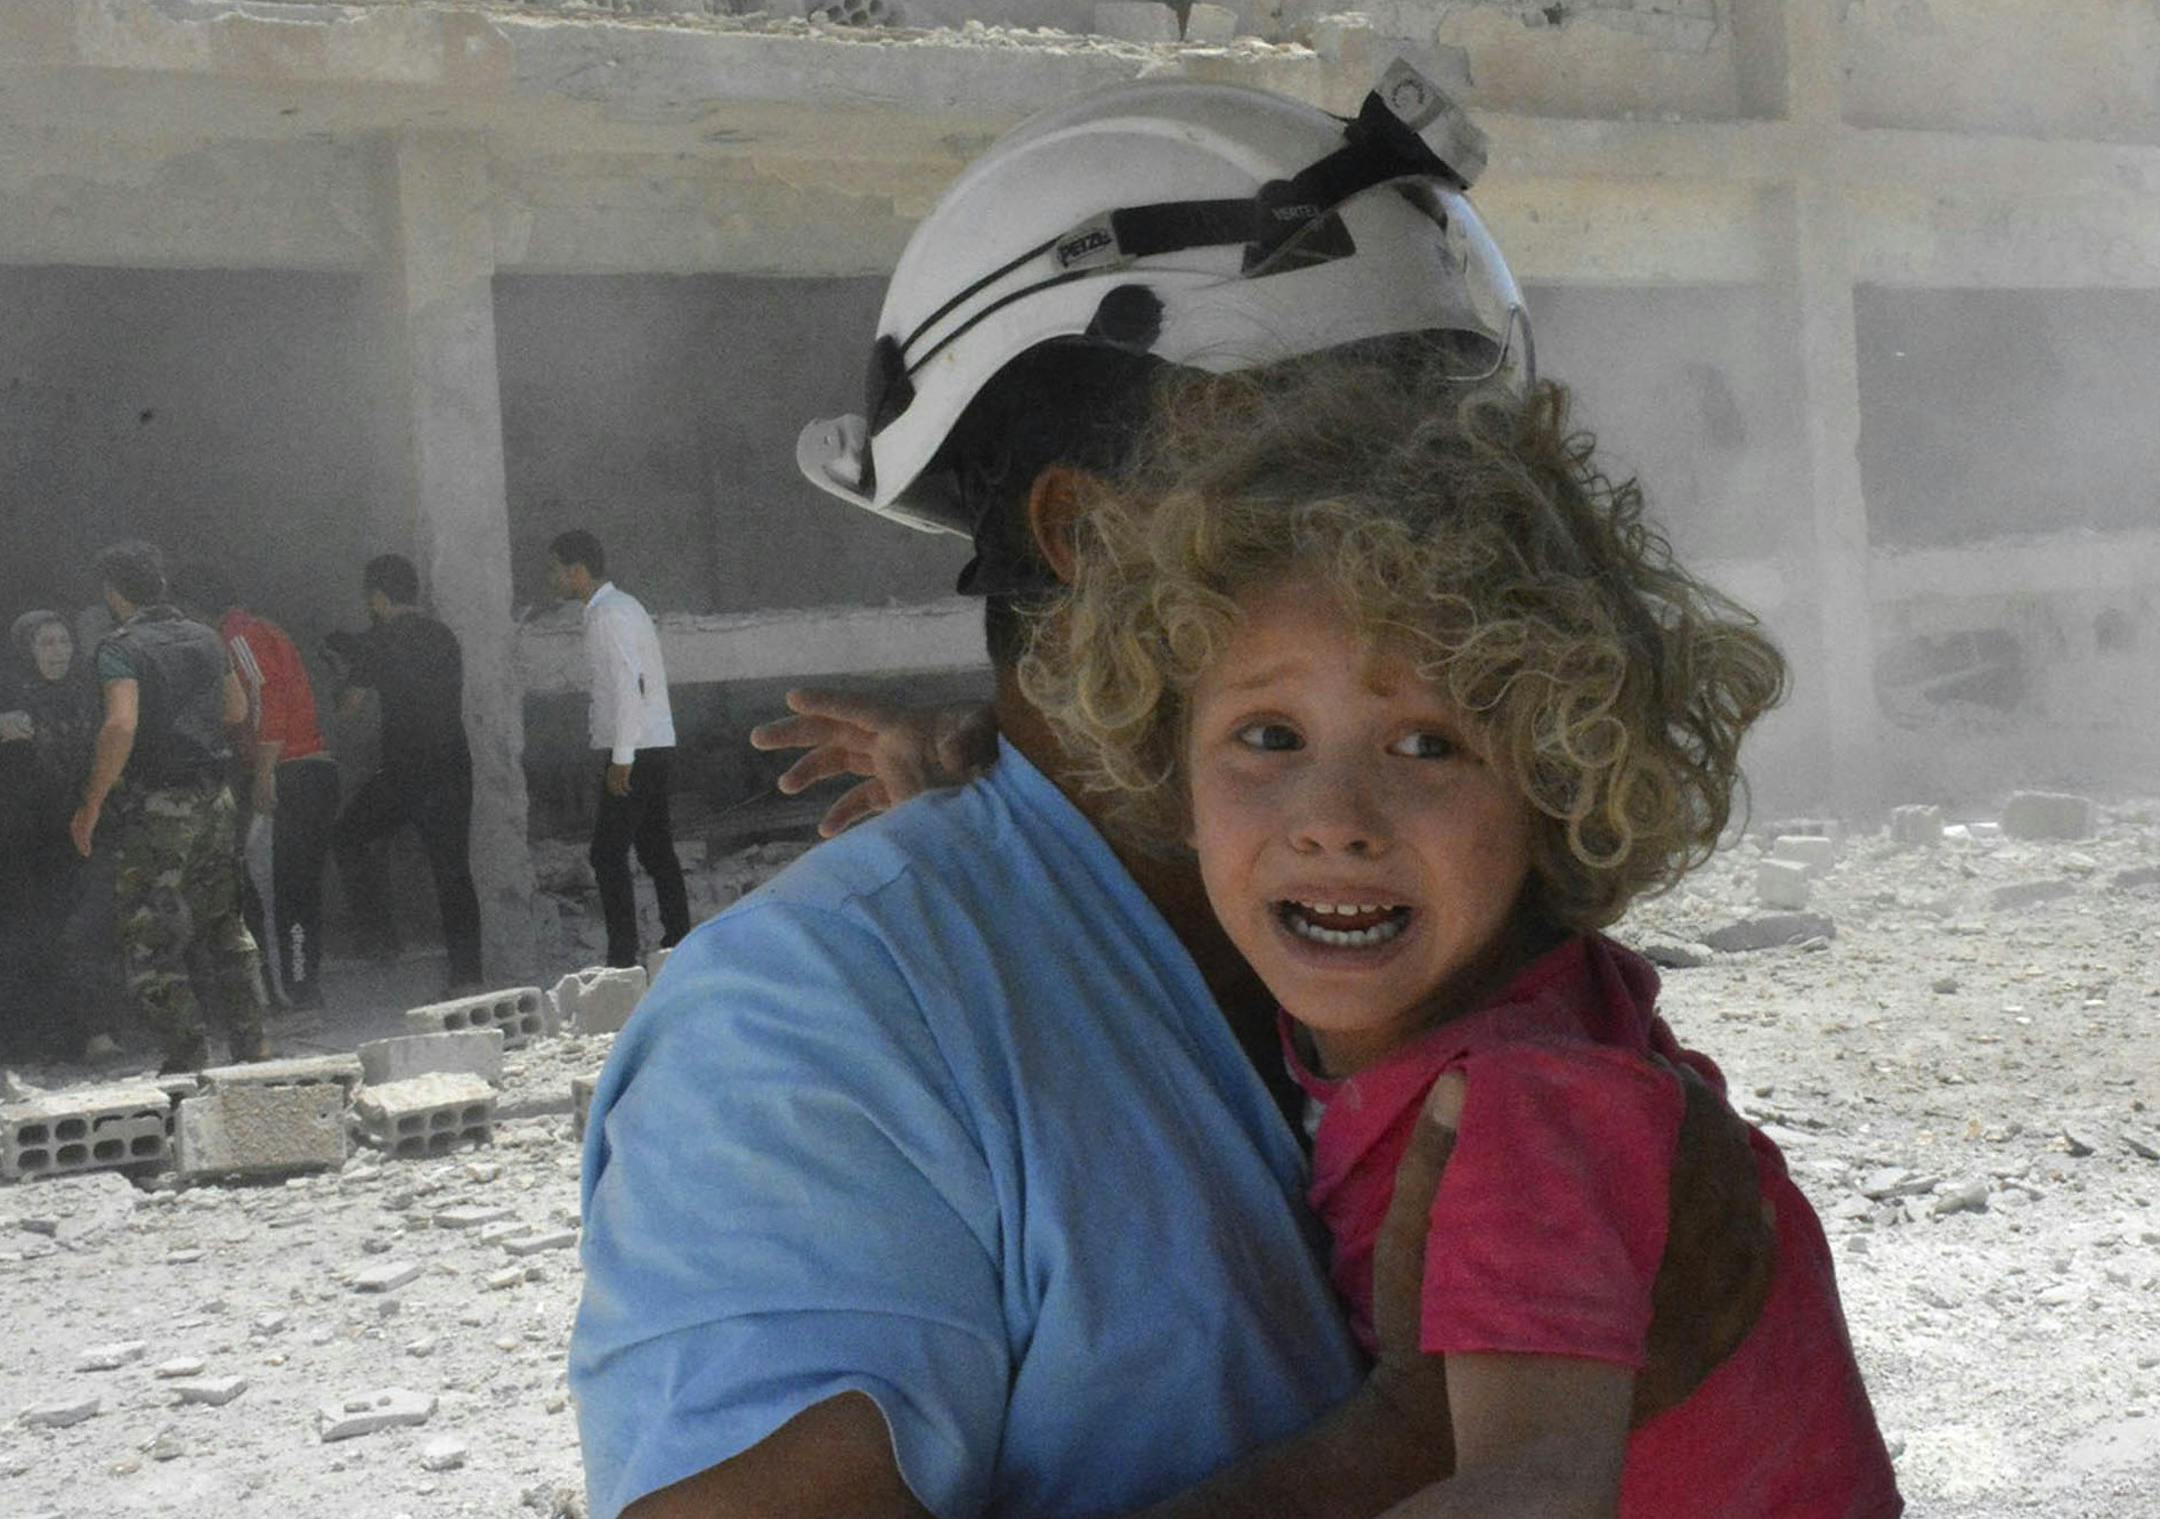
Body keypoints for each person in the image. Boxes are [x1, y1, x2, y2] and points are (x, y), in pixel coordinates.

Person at [576, 70, 1778, 1519]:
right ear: (1092, 537)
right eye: (1337, 486)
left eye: (1455, 483)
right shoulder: (810, 1035)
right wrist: (1426, 1433)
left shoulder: (1426, 931)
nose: (1437, 554)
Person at [1018, 355, 1902, 1516]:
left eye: (1428, 745)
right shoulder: (1513, 1003)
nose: (1334, 821)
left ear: (1555, 785)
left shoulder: (1517, 1108)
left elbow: (1531, 1487)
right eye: (1268, 736)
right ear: (1168, 762)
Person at [70, 541, 267, 1074]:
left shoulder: (119, 648)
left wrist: (91, 802)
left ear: (114, 595)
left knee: (150, 934)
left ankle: (186, 1051)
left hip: (157, 807)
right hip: (216, 799)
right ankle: (253, 1045)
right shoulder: (207, 638)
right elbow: (238, 708)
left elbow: (120, 725)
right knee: (226, 924)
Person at [171, 562, 342, 1011]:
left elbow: (269, 701)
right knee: (295, 889)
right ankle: (301, 989)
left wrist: (264, 772)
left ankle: (292, 992)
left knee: (274, 892)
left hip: (289, 772)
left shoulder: (239, 638)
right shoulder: (264, 630)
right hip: (306, 772)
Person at [328, 552, 483, 992]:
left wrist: (343, 672)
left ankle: (379, 939)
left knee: (348, 836)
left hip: (405, 772)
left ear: (378, 596)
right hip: (453, 765)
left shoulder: (379, 642)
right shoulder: (444, 636)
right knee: (453, 871)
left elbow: (349, 708)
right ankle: (467, 976)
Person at [545, 530, 690, 970]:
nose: (550, 579)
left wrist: (621, 757)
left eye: (554, 570)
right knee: (655, 849)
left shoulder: (609, 615)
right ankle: (677, 944)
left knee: (607, 853)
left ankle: (623, 959)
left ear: (577, 571)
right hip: (648, 742)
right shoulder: (619, 608)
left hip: (636, 747)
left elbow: (630, 687)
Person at [0, 611, 110, 1062]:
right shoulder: (8, 689)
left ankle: (93, 1032)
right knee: (28, 933)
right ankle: (28, 1042)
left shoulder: (85, 692)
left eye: (64, 641)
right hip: (23, 838)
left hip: (79, 827)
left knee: (83, 930)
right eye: (46, 643)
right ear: (26, 648)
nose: (58, 652)